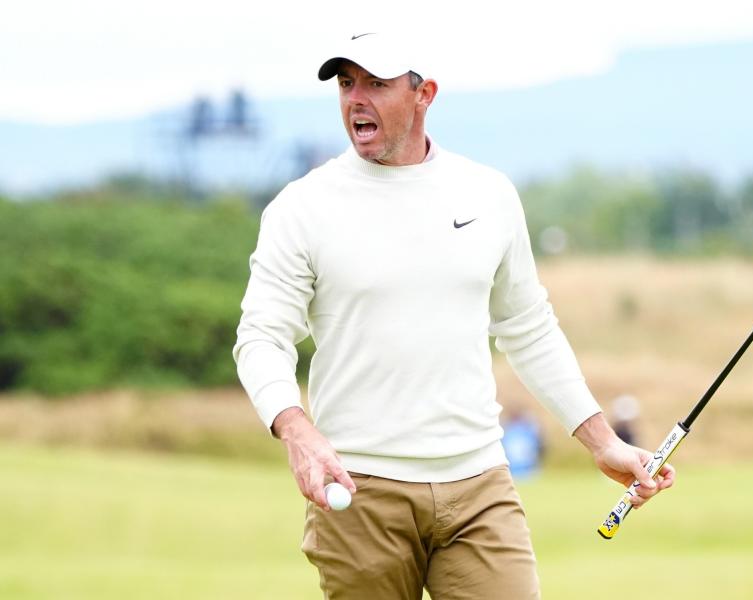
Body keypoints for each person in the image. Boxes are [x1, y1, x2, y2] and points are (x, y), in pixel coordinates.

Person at [233, 31, 675, 600]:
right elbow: (261, 336)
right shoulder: (302, 207)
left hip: (479, 483)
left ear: (425, 94)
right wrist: (295, 429)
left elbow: (527, 326)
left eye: (376, 83)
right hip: (359, 488)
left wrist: (601, 441)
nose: (355, 99)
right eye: (346, 83)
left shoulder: (487, 193)